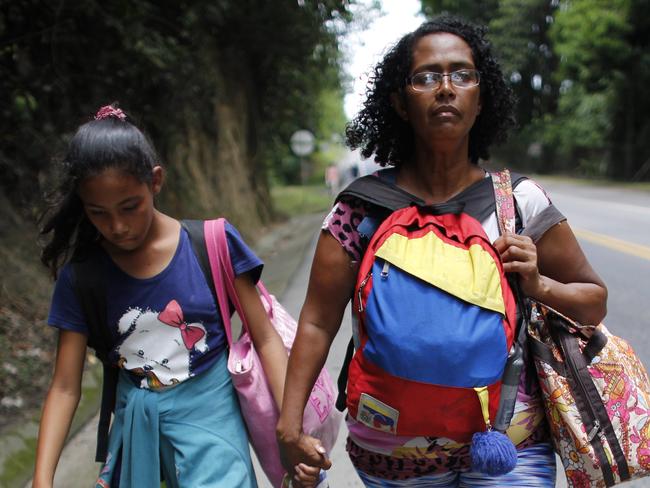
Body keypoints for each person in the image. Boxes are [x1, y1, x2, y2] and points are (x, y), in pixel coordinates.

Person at [277, 15, 607, 487]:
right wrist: (289, 424)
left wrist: (538, 284)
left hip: (506, 447)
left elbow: (594, 299)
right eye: (426, 77)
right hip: (394, 454)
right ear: (400, 102)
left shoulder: (518, 201)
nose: (446, 87)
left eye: (462, 74)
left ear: (480, 98)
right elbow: (315, 321)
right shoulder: (360, 208)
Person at [32, 105, 321, 487]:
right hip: (137, 433)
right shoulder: (83, 276)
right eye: (98, 213)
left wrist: (291, 427)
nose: (117, 226)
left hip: (213, 429)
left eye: (129, 207)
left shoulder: (212, 243)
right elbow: (66, 386)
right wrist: (42, 479)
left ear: (155, 181)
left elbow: (266, 339)